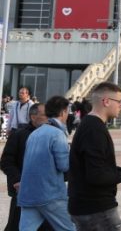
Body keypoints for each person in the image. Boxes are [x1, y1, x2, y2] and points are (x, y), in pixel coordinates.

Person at [68, 82, 121, 230]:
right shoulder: (94, 129)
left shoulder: (90, 124)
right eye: (120, 102)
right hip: (96, 208)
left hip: (86, 205)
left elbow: (94, 165)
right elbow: (96, 175)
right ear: (106, 101)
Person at [17, 96, 74, 231]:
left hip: (29, 193)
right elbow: (64, 166)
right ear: (63, 112)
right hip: (50, 193)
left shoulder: (34, 134)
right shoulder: (57, 134)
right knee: (69, 228)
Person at [0, 103, 53, 231]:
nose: (49, 118)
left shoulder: (54, 135)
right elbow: (6, 161)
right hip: (24, 192)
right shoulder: (19, 135)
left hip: (49, 194)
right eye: (45, 115)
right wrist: (18, 179)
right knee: (17, 226)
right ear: (33, 117)